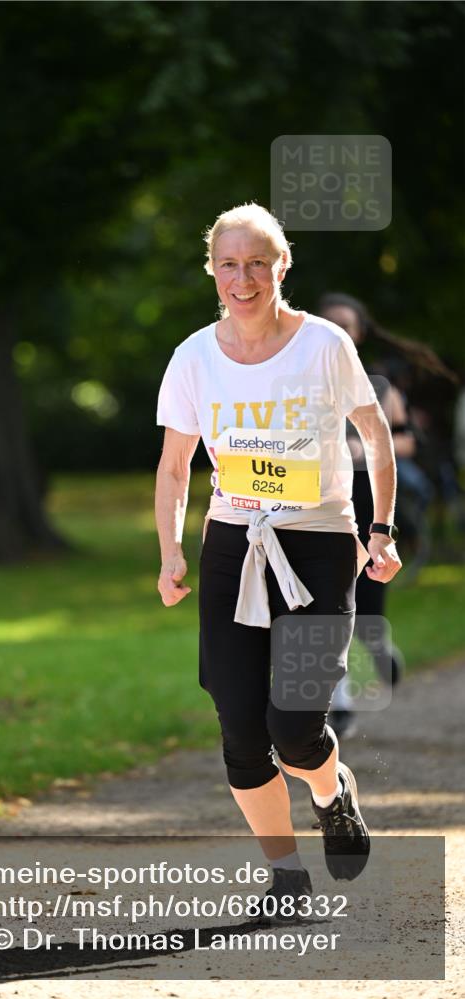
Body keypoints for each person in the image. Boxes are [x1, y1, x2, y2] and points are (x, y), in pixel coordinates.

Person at [155, 204, 401, 911]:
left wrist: (378, 530)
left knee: (293, 725)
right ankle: (284, 879)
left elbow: (375, 437)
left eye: (257, 262)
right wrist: (170, 550)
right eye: (228, 263)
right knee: (239, 728)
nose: (243, 277)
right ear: (212, 270)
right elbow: (175, 467)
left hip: (320, 544)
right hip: (233, 544)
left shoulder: (323, 344)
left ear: (281, 267)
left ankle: (330, 791)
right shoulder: (193, 356)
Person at [316, 293, 413, 738]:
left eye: (347, 325)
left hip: (371, 503)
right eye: (329, 323)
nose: (339, 332)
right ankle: (340, 704)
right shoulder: (302, 380)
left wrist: (363, 450)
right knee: (329, 607)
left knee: (366, 609)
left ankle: (379, 649)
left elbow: (406, 442)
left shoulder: (379, 384)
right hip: (323, 507)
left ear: (359, 333)